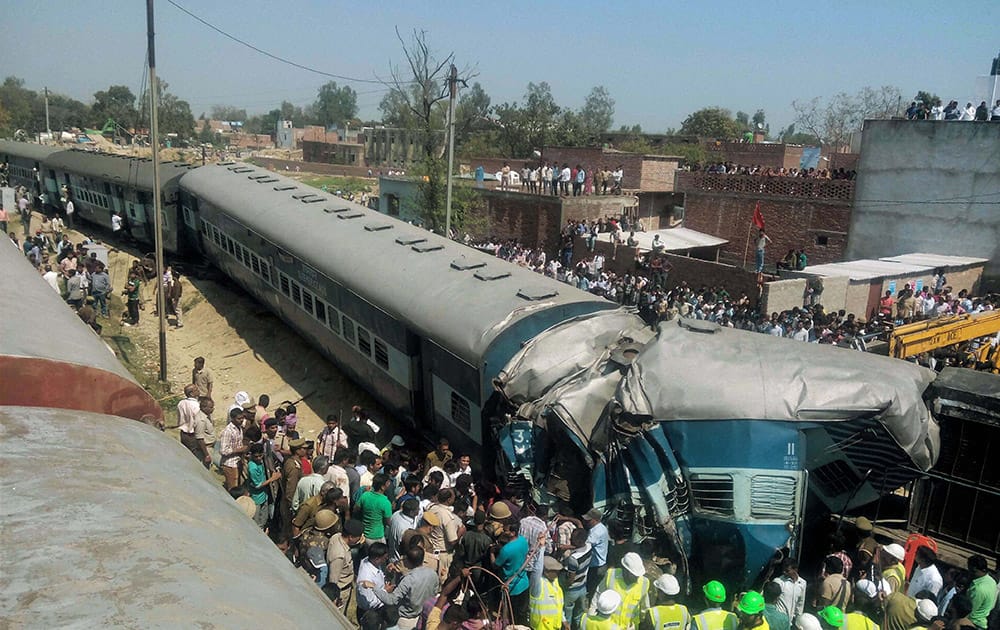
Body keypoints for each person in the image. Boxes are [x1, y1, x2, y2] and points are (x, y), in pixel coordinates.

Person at [368, 545, 440, 630]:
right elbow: (434, 593)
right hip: (424, 616)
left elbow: (392, 600)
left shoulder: (408, 580)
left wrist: (374, 587)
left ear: (408, 561)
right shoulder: (433, 574)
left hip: (407, 620)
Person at [600, 551, 651, 629]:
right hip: (609, 626)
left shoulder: (644, 583)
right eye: (634, 575)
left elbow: (645, 607)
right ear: (625, 570)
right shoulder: (611, 575)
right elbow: (598, 595)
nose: (637, 578)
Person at [494, 525, 531, 625]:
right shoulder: (523, 540)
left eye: (505, 530)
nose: (503, 532)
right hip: (524, 583)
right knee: (522, 615)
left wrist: (492, 553)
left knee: (512, 616)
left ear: (513, 532)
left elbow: (495, 565)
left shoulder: (506, 550)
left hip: (511, 588)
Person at [247, 443, 282, 529]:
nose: (259, 458)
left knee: (264, 518)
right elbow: (258, 485)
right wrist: (272, 479)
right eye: (256, 457)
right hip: (256, 497)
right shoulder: (253, 467)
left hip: (264, 494)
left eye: (260, 456)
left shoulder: (261, 461)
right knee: (256, 521)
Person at [565, 527, 594, 628]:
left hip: (572, 590)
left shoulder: (573, 558)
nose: (570, 540)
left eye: (572, 538)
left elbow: (571, 579)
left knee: (567, 617)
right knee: (579, 615)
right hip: (583, 586)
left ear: (578, 541)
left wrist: (565, 586)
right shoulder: (589, 547)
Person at [356, 542, 389, 629]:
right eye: (385, 558)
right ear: (377, 559)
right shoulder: (366, 578)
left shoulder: (370, 561)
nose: (386, 560)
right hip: (370, 614)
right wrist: (385, 592)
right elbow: (370, 603)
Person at [354, 473, 393, 544]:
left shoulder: (365, 495)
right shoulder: (385, 502)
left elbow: (356, 509)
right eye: (387, 483)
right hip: (378, 536)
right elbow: (388, 522)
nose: (389, 484)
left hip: (365, 534)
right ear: (382, 487)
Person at [529, 555, 566, 630]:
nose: (557, 573)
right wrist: (541, 548)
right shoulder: (538, 585)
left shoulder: (555, 582)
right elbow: (537, 571)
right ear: (546, 571)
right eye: (555, 571)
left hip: (555, 626)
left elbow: (558, 605)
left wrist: (564, 620)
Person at [218, 408, 247, 490]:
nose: (241, 420)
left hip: (238, 461)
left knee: (238, 485)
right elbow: (223, 450)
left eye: (242, 418)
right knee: (232, 488)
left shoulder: (239, 428)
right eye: (239, 418)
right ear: (232, 418)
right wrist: (239, 450)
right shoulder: (228, 431)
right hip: (230, 464)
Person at [966, 555, 997, 630]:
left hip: (972, 624)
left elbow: (968, 611)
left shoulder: (978, 589)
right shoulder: (991, 581)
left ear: (974, 569)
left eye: (969, 569)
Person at [586, 508, 611, 596]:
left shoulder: (597, 532)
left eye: (589, 520)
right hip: (600, 564)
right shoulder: (600, 527)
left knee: (591, 590)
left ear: (595, 520)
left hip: (596, 567)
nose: (586, 522)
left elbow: (585, 545)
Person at [176, 384, 202, 460]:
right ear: (191, 393)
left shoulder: (181, 403)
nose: (198, 390)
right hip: (193, 435)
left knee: (185, 455)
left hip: (183, 434)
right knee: (194, 457)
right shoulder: (196, 406)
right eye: (196, 390)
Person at [191, 396, 217, 469]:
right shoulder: (201, 420)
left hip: (210, 447)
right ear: (204, 408)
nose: (213, 409)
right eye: (211, 407)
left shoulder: (208, 416)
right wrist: (206, 455)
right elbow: (200, 439)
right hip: (204, 449)